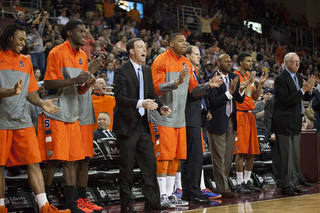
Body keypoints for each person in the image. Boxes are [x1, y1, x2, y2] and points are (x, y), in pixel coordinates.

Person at [0, 23, 69, 213]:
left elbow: (30, 92)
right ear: (9, 37)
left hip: (22, 121)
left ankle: (44, 207)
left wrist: (41, 103)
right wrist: (10, 91)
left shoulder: (27, 61)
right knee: (0, 165)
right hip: (1, 121)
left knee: (33, 163)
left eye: (25, 39)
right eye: (20, 38)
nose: (24, 42)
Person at [149, 33, 223, 206]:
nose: (185, 43)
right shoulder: (160, 60)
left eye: (186, 41)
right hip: (163, 116)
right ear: (170, 43)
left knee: (176, 157)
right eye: (181, 41)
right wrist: (176, 82)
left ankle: (171, 194)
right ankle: (162, 195)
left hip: (180, 117)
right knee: (164, 157)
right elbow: (155, 89)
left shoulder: (186, 62)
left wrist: (207, 86)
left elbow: (193, 90)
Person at [37, 20, 96, 212]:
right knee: (54, 160)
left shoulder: (83, 56)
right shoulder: (56, 52)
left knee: (71, 161)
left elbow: (79, 90)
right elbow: (48, 83)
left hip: (73, 115)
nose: (84, 34)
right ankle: (43, 204)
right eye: (80, 31)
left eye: (85, 31)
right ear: (69, 33)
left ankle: (70, 204)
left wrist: (87, 83)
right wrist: (75, 79)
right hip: (56, 114)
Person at [113, 38, 172, 212]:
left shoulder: (146, 70)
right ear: (131, 51)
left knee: (150, 165)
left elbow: (151, 94)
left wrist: (161, 107)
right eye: (140, 47)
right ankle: (125, 205)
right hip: (126, 126)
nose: (144, 49)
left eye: (145, 47)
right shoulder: (121, 71)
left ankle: (152, 201)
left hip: (142, 125)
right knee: (127, 168)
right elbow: (120, 99)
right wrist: (141, 103)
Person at [181, 45, 221, 204]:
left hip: (196, 117)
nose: (199, 56)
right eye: (196, 54)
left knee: (191, 158)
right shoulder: (186, 70)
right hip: (189, 118)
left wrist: (205, 109)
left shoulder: (195, 71)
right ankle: (193, 192)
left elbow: (199, 94)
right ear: (188, 55)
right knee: (194, 158)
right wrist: (209, 85)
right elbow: (192, 93)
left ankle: (189, 193)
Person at [272, 52, 314, 196]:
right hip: (283, 122)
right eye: (294, 62)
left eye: (298, 62)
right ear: (287, 63)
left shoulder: (298, 77)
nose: (298, 64)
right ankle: (286, 185)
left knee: (295, 156)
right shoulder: (280, 79)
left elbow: (303, 98)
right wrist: (304, 89)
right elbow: (287, 100)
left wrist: (309, 90)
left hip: (296, 120)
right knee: (286, 156)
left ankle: (294, 183)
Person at [206, 54, 248, 198]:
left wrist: (241, 89)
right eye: (226, 61)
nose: (230, 64)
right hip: (216, 121)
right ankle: (222, 188)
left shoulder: (232, 76)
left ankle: (223, 185)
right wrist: (229, 93)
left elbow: (240, 99)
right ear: (218, 62)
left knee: (229, 156)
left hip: (231, 119)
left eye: (231, 61)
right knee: (219, 157)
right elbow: (213, 101)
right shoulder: (211, 78)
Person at [233, 52, 268, 194]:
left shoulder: (250, 77)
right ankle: (239, 182)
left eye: (251, 61)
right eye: (248, 61)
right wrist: (248, 84)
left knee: (251, 151)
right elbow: (239, 96)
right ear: (240, 62)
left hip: (250, 116)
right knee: (240, 151)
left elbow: (254, 97)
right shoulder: (235, 76)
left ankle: (248, 181)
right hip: (240, 115)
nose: (251, 63)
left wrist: (260, 85)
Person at [26, 11, 49, 79]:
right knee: (35, 67)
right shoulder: (28, 37)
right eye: (32, 28)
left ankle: (41, 80)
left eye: (34, 28)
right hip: (34, 54)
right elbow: (28, 47)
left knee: (42, 67)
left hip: (41, 53)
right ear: (30, 30)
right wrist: (33, 44)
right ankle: (35, 80)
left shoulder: (38, 33)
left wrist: (44, 17)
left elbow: (42, 25)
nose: (33, 29)